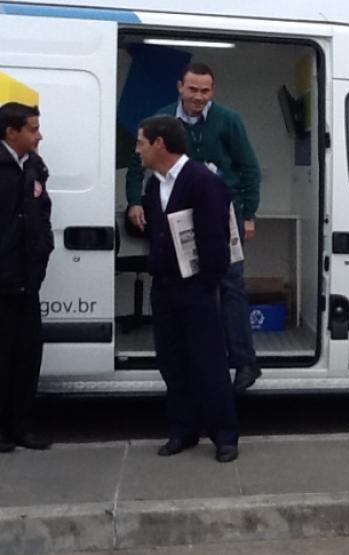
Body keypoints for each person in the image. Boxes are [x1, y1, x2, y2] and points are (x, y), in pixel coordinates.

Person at [125, 63, 262, 392]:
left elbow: (249, 168)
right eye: (193, 90)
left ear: (212, 91)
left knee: (231, 284)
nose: (199, 97)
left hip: (222, 214)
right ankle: (190, 359)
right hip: (175, 213)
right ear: (179, 87)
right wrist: (134, 201)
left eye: (205, 91)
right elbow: (135, 163)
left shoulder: (228, 120)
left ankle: (244, 362)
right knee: (184, 286)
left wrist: (248, 215)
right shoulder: (161, 119)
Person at [134, 115, 239, 463]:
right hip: (163, 288)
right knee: (172, 362)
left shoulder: (201, 181)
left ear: (159, 144)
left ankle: (224, 435)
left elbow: (214, 238)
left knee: (208, 362)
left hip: (196, 288)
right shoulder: (154, 185)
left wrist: (207, 283)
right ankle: (183, 429)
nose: (138, 151)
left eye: (141, 143)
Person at [0, 102, 53, 453]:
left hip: (27, 282)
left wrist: (43, 251)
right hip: (1, 282)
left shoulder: (34, 166)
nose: (39, 135)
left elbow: (42, 213)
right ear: (11, 132)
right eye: (32, 129)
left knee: (27, 356)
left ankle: (21, 426)